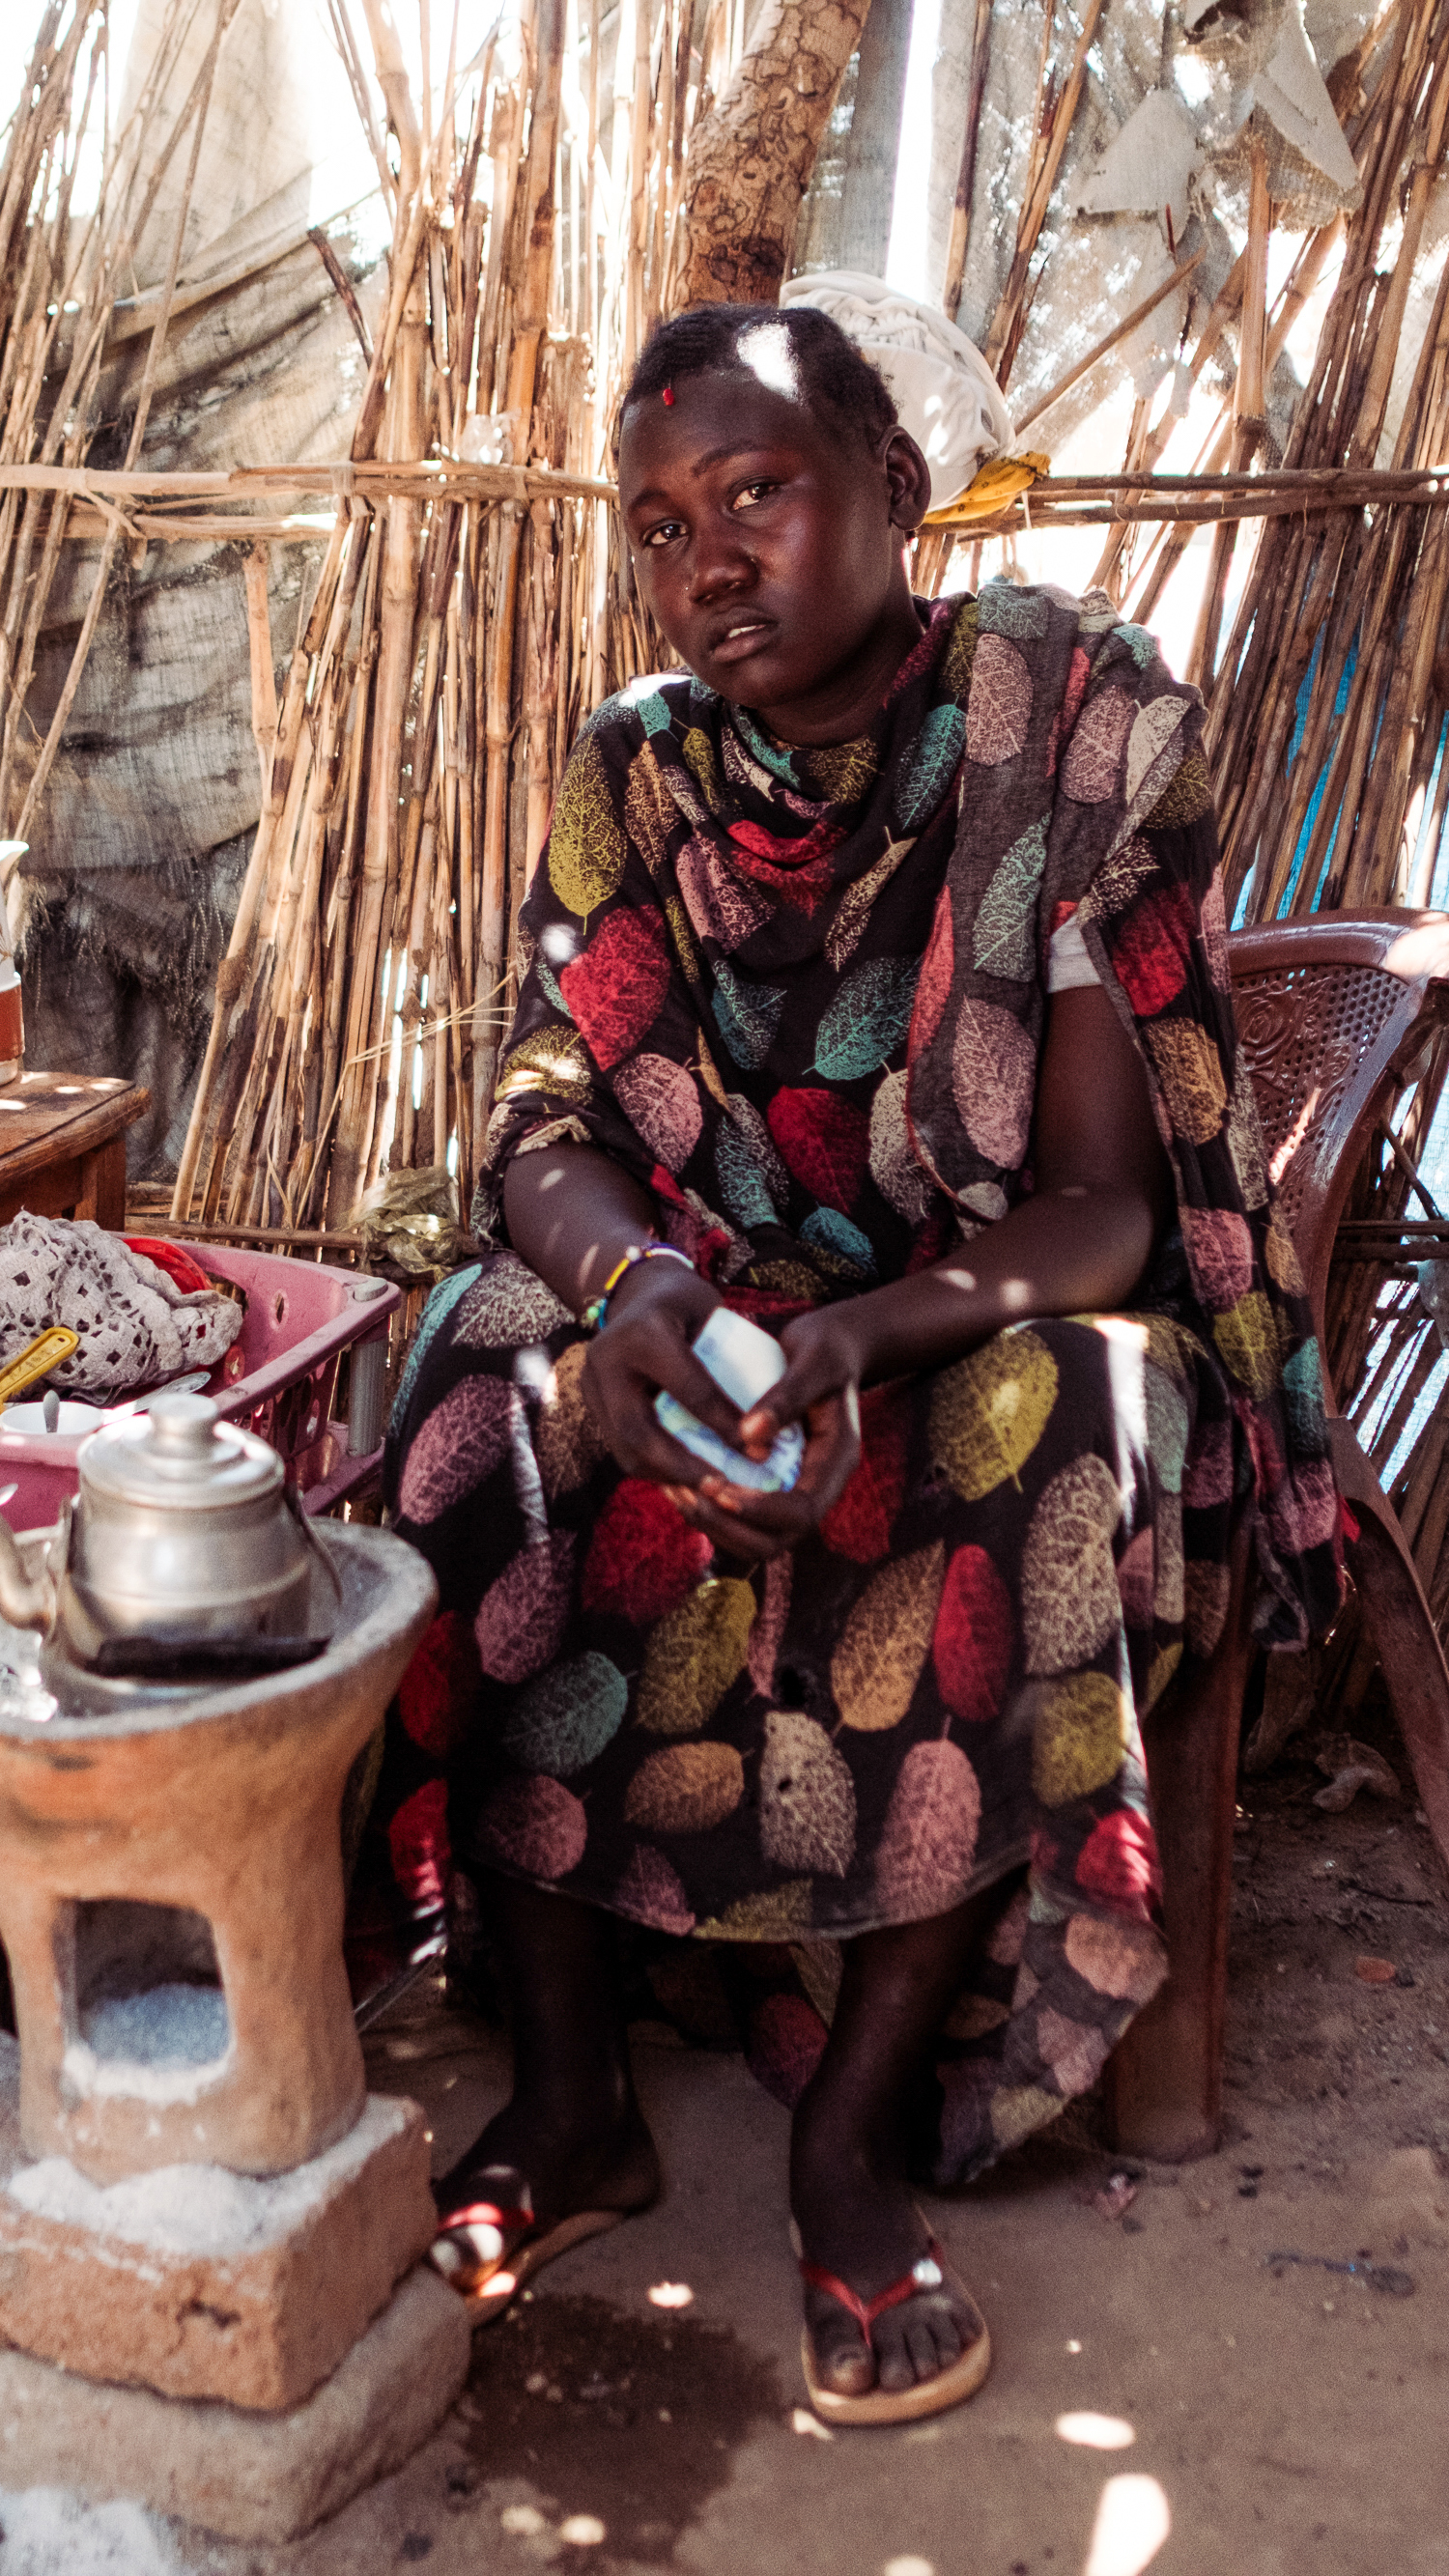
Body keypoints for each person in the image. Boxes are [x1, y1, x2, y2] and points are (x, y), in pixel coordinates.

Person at [378, 300, 1341, 2423]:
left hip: (960, 1299)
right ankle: (567, 2093)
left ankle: (849, 2136)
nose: (704, 561)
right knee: (471, 1381)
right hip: (708, 1291)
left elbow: (1097, 1198)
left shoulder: (1072, 722)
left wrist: (849, 1341)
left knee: (1055, 1423)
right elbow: (543, 1115)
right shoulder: (634, 765)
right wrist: (636, 1299)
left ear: (895, 494)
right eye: (658, 525)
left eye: (756, 494)